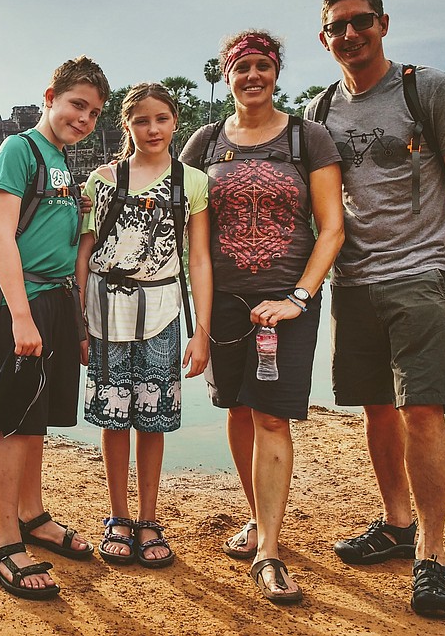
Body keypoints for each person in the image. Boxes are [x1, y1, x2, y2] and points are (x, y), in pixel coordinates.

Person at [306, 0, 445, 619]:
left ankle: (434, 555)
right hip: (354, 279)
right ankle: (397, 526)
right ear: (325, 38)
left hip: (420, 272)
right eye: (337, 27)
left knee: (423, 408)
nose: (350, 34)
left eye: (361, 22)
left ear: (383, 24)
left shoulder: (429, 89)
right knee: (377, 410)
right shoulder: (320, 110)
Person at [179, 30, 344, 604]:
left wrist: (298, 297)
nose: (253, 76)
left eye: (262, 66)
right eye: (241, 67)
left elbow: (332, 228)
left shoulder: (307, 138)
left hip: (288, 303)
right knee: (239, 409)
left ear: (276, 72)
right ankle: (258, 518)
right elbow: (175, 216)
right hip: (225, 304)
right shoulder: (202, 142)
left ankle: (270, 551)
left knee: (272, 417)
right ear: (227, 75)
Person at [0, 55, 111, 601]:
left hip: (55, 302)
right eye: (77, 105)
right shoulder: (20, 150)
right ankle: (5, 541)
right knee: (13, 421)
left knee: (38, 421)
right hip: (21, 303)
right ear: (50, 96)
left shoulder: (61, 160)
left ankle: (32, 515)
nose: (84, 119)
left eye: (95, 113)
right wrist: (22, 317)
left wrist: (74, 320)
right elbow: (0, 236)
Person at [75, 83, 211, 568]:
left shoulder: (191, 181)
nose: (152, 129)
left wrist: (202, 331)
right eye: (141, 121)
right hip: (106, 311)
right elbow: (85, 252)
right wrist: (78, 321)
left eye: (161, 119)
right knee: (115, 419)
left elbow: (198, 259)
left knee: (152, 419)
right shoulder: (103, 180)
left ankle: (149, 518)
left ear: (175, 122)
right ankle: (118, 516)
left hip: (163, 311)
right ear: (126, 126)